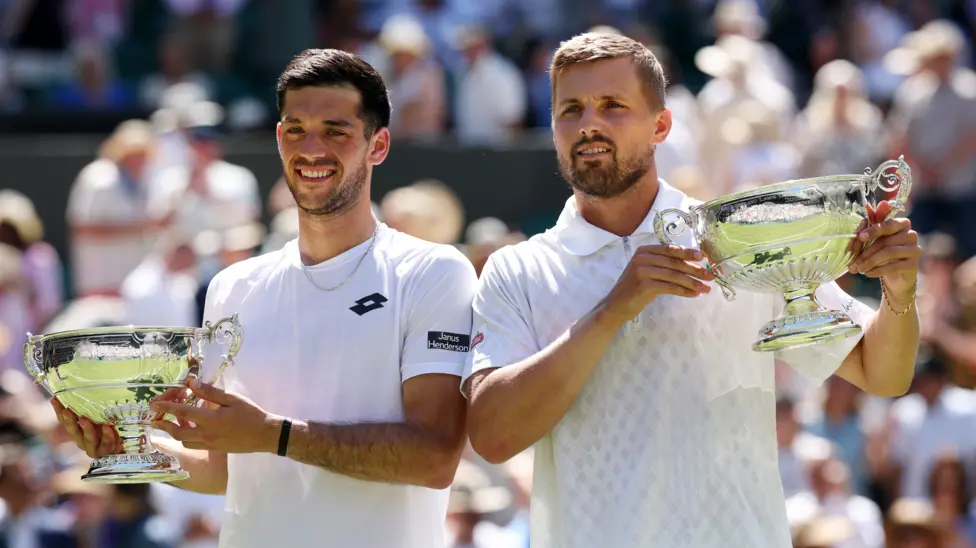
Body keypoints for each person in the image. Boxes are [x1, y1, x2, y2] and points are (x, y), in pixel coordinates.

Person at [461, 33, 922, 548]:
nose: (588, 122)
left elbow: (883, 374)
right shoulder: (516, 269)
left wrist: (899, 291)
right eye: (571, 109)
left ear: (661, 126)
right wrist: (613, 310)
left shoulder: (740, 238)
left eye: (612, 105)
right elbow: (493, 435)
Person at [51, 48, 477, 547]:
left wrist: (273, 435)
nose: (311, 148)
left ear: (377, 145)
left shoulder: (435, 272)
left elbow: (434, 457)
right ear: (279, 140)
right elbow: (224, 470)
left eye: (335, 131)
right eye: (296, 129)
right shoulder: (233, 286)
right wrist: (126, 448)